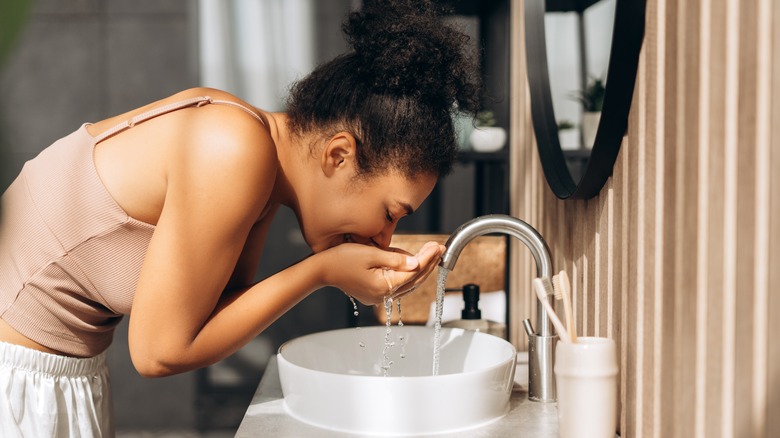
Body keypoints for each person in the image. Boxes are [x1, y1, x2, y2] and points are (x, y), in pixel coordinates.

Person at [0, 0, 481, 435]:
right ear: (339, 156)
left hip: (52, 373)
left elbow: (211, 317)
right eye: (389, 213)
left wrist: (332, 268)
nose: (384, 237)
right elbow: (157, 352)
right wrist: (322, 272)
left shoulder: (260, 166)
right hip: (16, 378)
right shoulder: (234, 148)